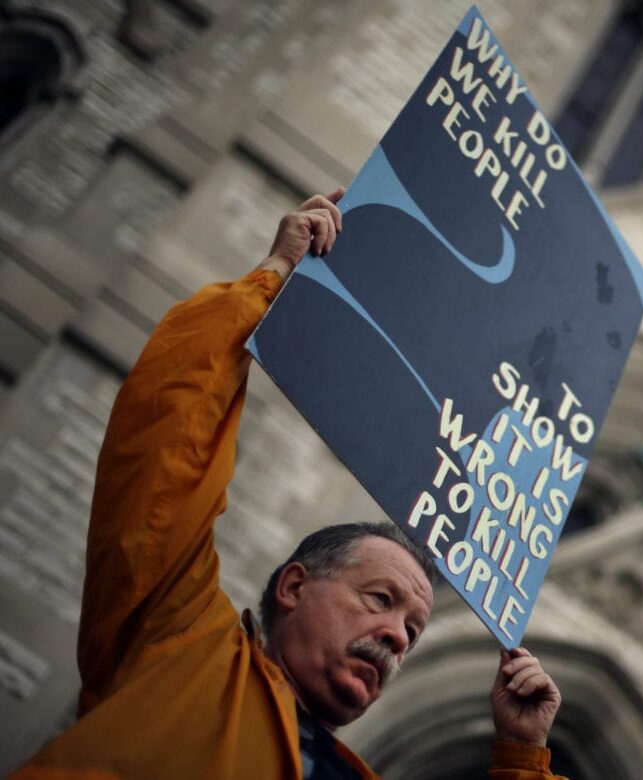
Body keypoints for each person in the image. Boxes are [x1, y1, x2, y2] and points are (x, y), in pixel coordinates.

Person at [14, 189, 566, 779]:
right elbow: (162, 453)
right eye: (381, 600)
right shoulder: (177, 640)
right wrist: (274, 279)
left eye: (410, 630)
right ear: (294, 587)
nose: (396, 639)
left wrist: (522, 759)